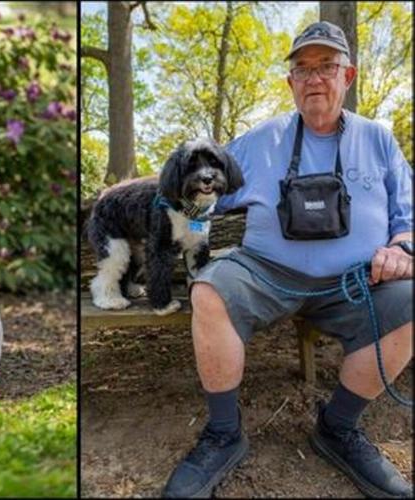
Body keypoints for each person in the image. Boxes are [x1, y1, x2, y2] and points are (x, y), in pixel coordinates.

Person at [163, 22, 413, 498]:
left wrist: (402, 248)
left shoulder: (380, 140)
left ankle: (338, 429)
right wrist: (141, 194)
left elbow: (408, 216)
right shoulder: (260, 140)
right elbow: (198, 183)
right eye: (303, 69)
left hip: (355, 281)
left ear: (349, 76)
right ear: (290, 82)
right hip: (265, 273)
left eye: (327, 67)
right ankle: (223, 433)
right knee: (210, 289)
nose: (314, 78)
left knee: (413, 300)